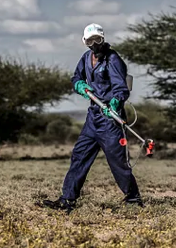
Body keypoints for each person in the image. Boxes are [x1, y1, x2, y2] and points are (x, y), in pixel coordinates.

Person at [42, 23, 143, 214]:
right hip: (93, 117)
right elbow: (76, 77)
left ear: (103, 39)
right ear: (85, 42)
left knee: (117, 161)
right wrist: (79, 84)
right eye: (90, 40)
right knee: (80, 156)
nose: (94, 44)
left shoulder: (113, 60)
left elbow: (121, 88)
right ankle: (67, 199)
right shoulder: (86, 58)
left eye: (98, 39)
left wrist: (114, 103)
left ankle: (133, 199)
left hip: (110, 119)